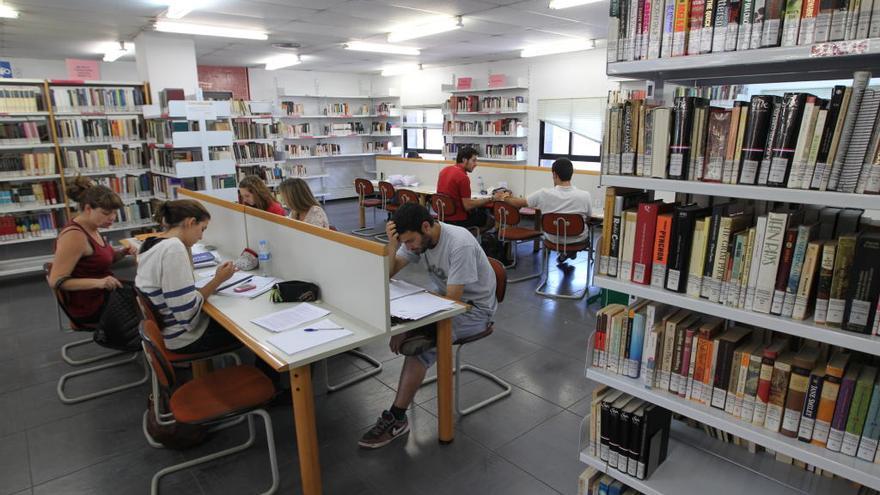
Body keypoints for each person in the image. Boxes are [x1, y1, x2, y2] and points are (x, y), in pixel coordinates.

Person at [359, 202, 497, 449]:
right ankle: (399, 413)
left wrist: (412, 329)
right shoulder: (419, 238)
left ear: (426, 226)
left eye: (410, 241)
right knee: (413, 336)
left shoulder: (459, 243)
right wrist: (392, 246)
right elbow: (388, 274)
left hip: (475, 310)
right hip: (446, 301)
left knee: (421, 349)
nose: (410, 247)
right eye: (405, 243)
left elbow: (454, 301)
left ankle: (397, 418)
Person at [135, 199, 241, 353]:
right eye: (202, 229)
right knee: (248, 332)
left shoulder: (152, 243)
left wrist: (187, 244)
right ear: (191, 222)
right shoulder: (173, 248)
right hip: (184, 337)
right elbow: (187, 315)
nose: (201, 237)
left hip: (167, 329)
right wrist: (218, 280)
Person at [48, 176, 137, 324]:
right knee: (149, 304)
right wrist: (99, 283)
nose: (112, 218)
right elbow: (56, 281)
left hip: (103, 293)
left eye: (115, 213)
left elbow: (98, 260)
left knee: (147, 295)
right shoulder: (75, 236)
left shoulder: (92, 227)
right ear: (88, 209)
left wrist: (122, 253)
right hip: (90, 304)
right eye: (106, 213)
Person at [498, 158, 592, 263]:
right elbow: (587, 219)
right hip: (578, 240)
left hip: (552, 239)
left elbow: (520, 203)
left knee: (556, 231)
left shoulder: (543, 194)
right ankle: (568, 253)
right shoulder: (585, 195)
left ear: (554, 174)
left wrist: (504, 197)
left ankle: (561, 256)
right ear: (571, 174)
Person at [436, 147, 495, 232]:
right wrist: (490, 199)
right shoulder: (463, 177)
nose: (476, 164)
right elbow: (468, 206)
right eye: (473, 160)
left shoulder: (444, 170)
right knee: (491, 220)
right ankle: (470, 236)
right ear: (464, 160)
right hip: (458, 219)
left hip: (443, 217)